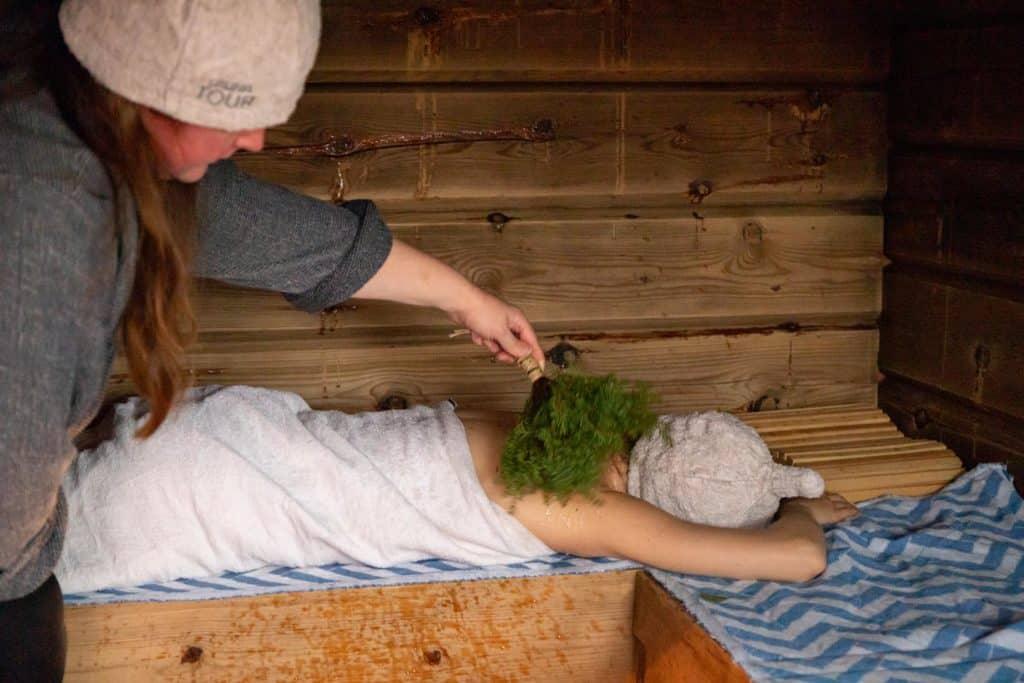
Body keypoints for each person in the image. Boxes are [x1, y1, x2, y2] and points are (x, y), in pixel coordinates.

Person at [0, 1, 544, 679]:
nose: (256, 138)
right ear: (148, 91)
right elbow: (5, 519)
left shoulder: (101, 120)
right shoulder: (36, 226)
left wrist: (465, 299)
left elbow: (250, 225)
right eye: (236, 115)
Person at [54, 386, 860, 595]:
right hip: (185, 498)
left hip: (207, 426)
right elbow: (798, 561)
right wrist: (801, 506)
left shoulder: (545, 426)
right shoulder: (591, 508)